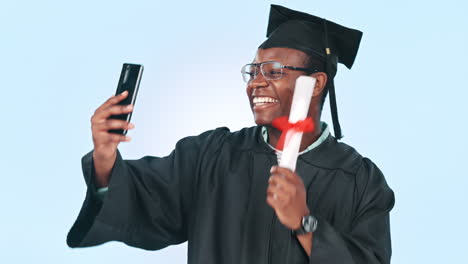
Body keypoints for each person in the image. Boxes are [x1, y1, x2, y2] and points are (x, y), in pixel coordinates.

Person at [67, 4, 395, 264]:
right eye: (253, 71)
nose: (255, 82)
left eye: (273, 71)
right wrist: (105, 156)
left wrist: (304, 222)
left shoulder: (359, 180)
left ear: (317, 84)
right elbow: (146, 203)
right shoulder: (213, 155)